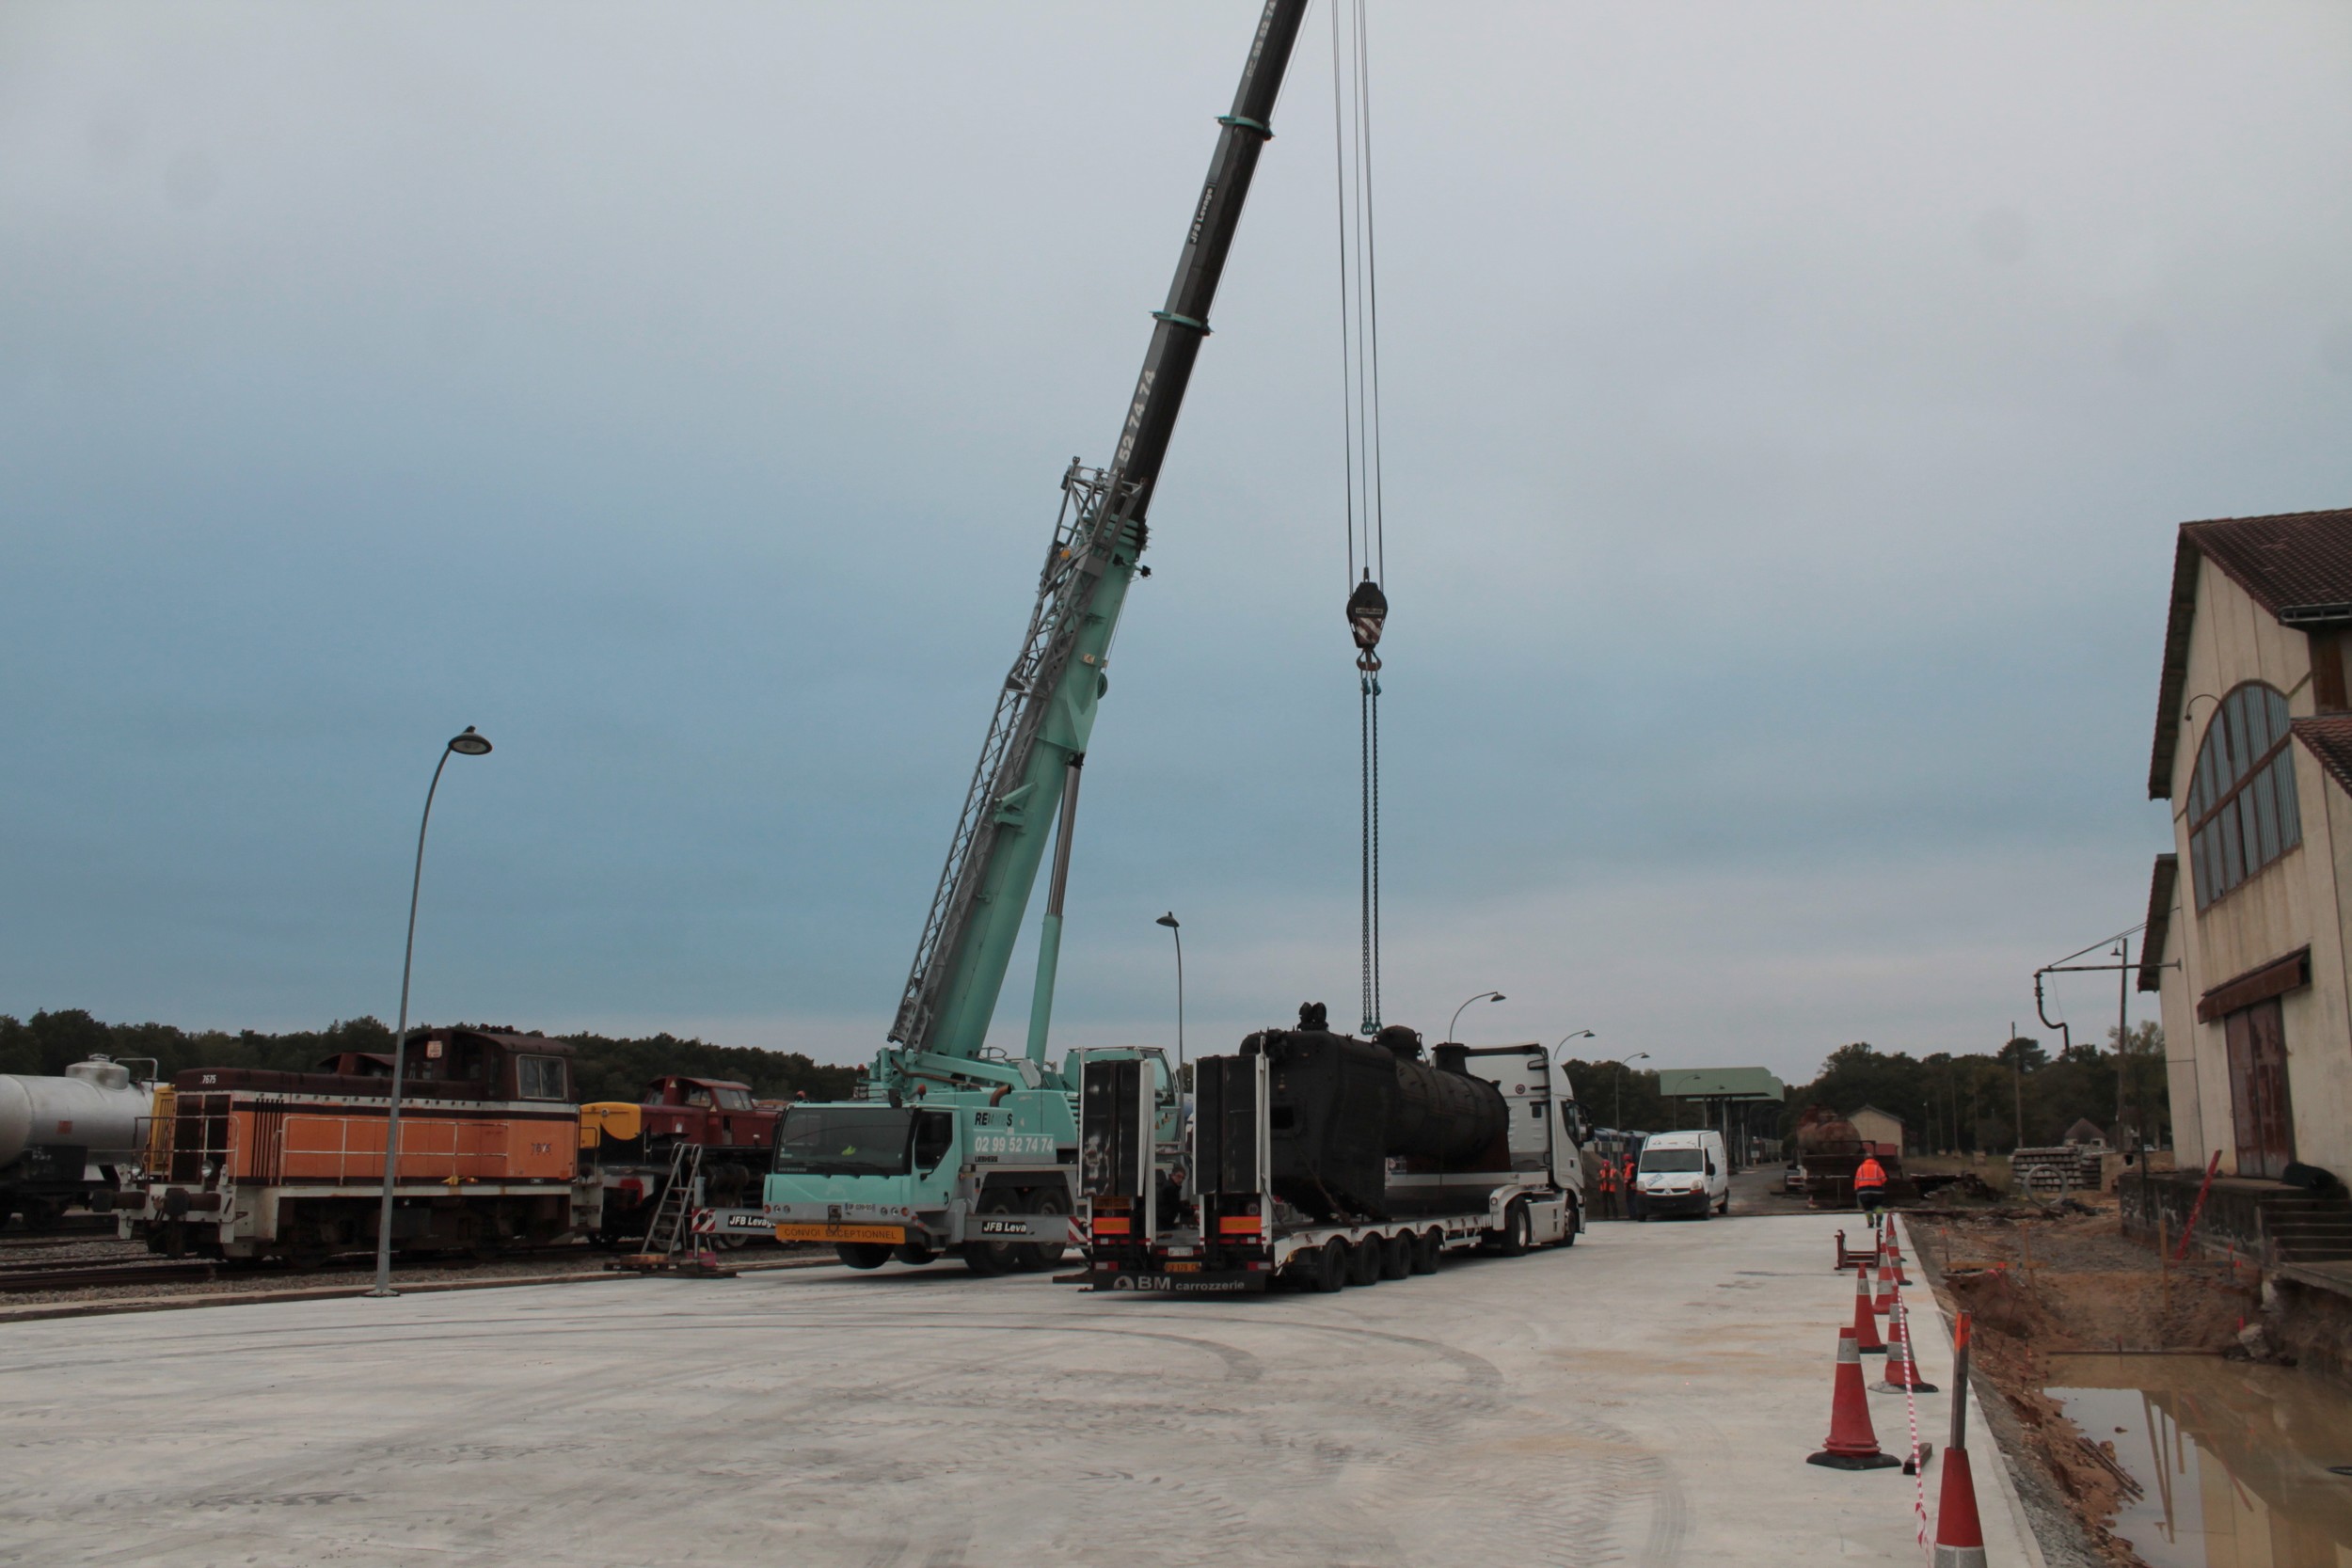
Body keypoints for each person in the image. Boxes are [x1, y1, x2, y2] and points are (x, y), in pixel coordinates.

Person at [1853, 1152, 1888, 1218]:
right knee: (1878, 1204)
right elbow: (1884, 1178)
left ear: (1864, 1159)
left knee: (1867, 1207)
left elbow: (1857, 1179)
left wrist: (1856, 1189)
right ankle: (1879, 1217)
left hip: (1863, 1190)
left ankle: (1870, 1222)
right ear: (1873, 1159)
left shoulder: (1860, 1168)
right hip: (1877, 1190)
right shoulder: (1877, 1167)